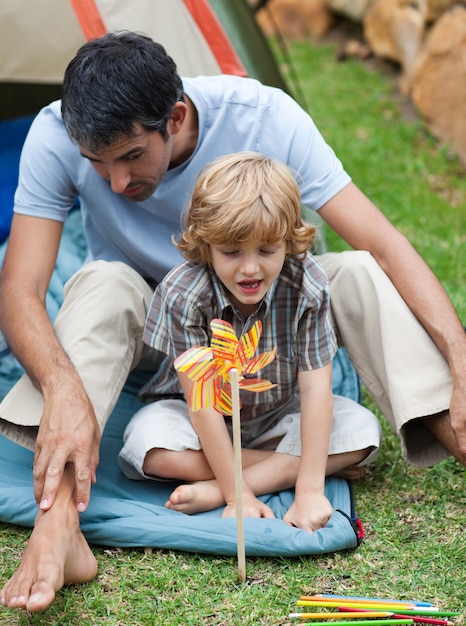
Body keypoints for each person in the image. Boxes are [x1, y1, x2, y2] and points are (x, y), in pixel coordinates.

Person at [0, 30, 463, 612]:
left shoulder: (266, 118)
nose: (116, 183)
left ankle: (456, 425)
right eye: (96, 164)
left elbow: (385, 244)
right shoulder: (53, 131)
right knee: (101, 280)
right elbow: (19, 290)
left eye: (130, 157)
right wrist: (63, 387)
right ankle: (58, 527)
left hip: (270, 327)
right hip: (155, 327)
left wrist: (460, 356)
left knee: (356, 270)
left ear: (174, 116)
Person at [118, 151, 382, 528]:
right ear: (206, 245)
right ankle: (280, 468)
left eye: (267, 250)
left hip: (279, 411)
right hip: (201, 417)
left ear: (289, 242)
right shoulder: (184, 293)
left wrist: (310, 491)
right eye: (230, 251)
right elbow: (202, 405)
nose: (250, 268)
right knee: (152, 451)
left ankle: (214, 485)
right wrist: (236, 497)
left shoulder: (308, 285)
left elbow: (316, 391)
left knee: (362, 433)